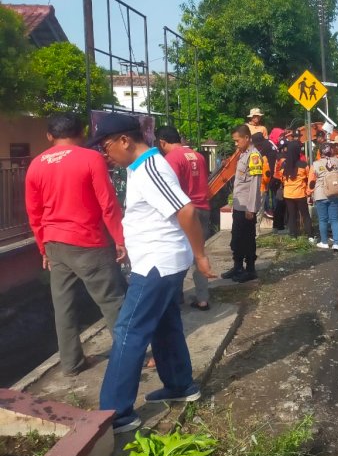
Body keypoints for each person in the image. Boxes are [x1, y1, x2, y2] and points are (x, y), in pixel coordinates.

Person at [89, 113, 216, 434]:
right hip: (159, 261)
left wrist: (201, 255)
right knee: (165, 325)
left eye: (106, 148)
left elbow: (186, 210)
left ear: (124, 141)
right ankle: (180, 385)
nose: (106, 155)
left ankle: (115, 414)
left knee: (129, 332)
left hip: (157, 265)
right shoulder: (139, 168)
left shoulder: (150, 168)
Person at [24, 113, 127, 377]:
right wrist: (119, 238)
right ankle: (131, 356)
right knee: (113, 300)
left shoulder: (36, 164)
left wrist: (42, 248)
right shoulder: (91, 158)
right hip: (88, 242)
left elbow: (33, 212)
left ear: (49, 136)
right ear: (81, 133)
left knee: (64, 306)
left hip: (54, 243)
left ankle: (71, 364)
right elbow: (107, 203)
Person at [155, 126, 212, 311]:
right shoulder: (198, 156)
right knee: (199, 253)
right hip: (203, 208)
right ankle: (203, 298)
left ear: (162, 142)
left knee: (177, 254)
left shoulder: (171, 159)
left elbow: (171, 189)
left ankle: (176, 297)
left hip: (184, 212)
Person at [221, 125, 263, 283]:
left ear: (246, 138)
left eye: (237, 140)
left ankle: (250, 269)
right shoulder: (242, 154)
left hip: (247, 206)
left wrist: (251, 208)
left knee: (248, 238)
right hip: (239, 205)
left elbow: (255, 183)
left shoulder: (254, 156)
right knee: (237, 237)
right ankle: (237, 266)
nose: (236, 143)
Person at [278, 140, 314, 242]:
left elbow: (281, 177)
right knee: (305, 215)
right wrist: (309, 192)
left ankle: (293, 235)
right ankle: (310, 235)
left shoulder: (284, 165)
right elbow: (310, 178)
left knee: (292, 215)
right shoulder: (303, 165)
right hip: (301, 194)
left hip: (288, 195)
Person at [309, 143, 338, 250]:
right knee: (334, 219)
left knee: (323, 220)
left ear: (320, 152)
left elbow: (311, 181)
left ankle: (324, 242)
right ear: (331, 151)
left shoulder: (315, 164)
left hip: (320, 194)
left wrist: (309, 194)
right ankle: (336, 243)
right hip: (334, 193)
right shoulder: (337, 161)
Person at [252, 132, 279, 219]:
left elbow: (259, 159)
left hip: (269, 172)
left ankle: (268, 210)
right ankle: (275, 211)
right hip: (276, 170)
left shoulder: (264, 147)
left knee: (265, 190)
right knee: (274, 193)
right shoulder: (270, 142)